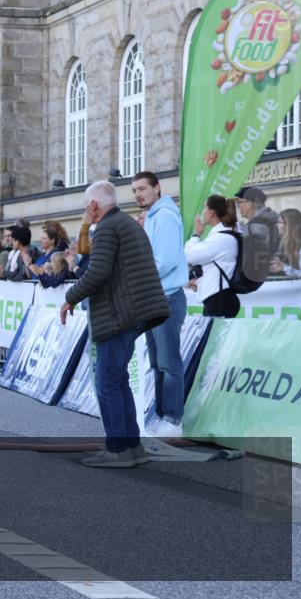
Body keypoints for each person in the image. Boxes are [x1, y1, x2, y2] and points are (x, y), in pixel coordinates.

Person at [61, 181, 170, 468]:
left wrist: (70, 297)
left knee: (107, 382)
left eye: (87, 206)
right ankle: (132, 447)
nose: (87, 210)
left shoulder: (109, 227)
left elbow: (97, 271)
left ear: (94, 205)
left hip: (119, 312)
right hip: (134, 310)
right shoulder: (125, 223)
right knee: (118, 380)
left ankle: (118, 449)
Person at [132, 171, 189, 432]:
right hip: (157, 296)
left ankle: (172, 418)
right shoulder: (155, 216)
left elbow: (164, 261)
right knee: (157, 363)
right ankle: (162, 415)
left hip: (166, 297)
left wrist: (139, 279)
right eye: (134, 190)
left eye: (142, 189)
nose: (137, 194)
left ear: (157, 188)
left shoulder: (164, 216)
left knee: (167, 363)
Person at [185, 195, 241, 318]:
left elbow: (189, 256)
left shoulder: (220, 238)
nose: (203, 212)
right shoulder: (224, 236)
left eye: (205, 208)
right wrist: (199, 282)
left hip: (219, 301)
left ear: (211, 213)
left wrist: (196, 234)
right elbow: (216, 270)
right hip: (219, 299)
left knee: (212, 337)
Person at [235, 186, 279, 282]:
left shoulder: (253, 227)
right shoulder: (271, 222)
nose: (238, 207)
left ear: (250, 203)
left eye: (239, 203)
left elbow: (245, 258)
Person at [270, 208, 301, 278]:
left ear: (288, 224)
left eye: (279, 222)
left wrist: (284, 267)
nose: (277, 225)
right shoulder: (290, 242)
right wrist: (282, 266)